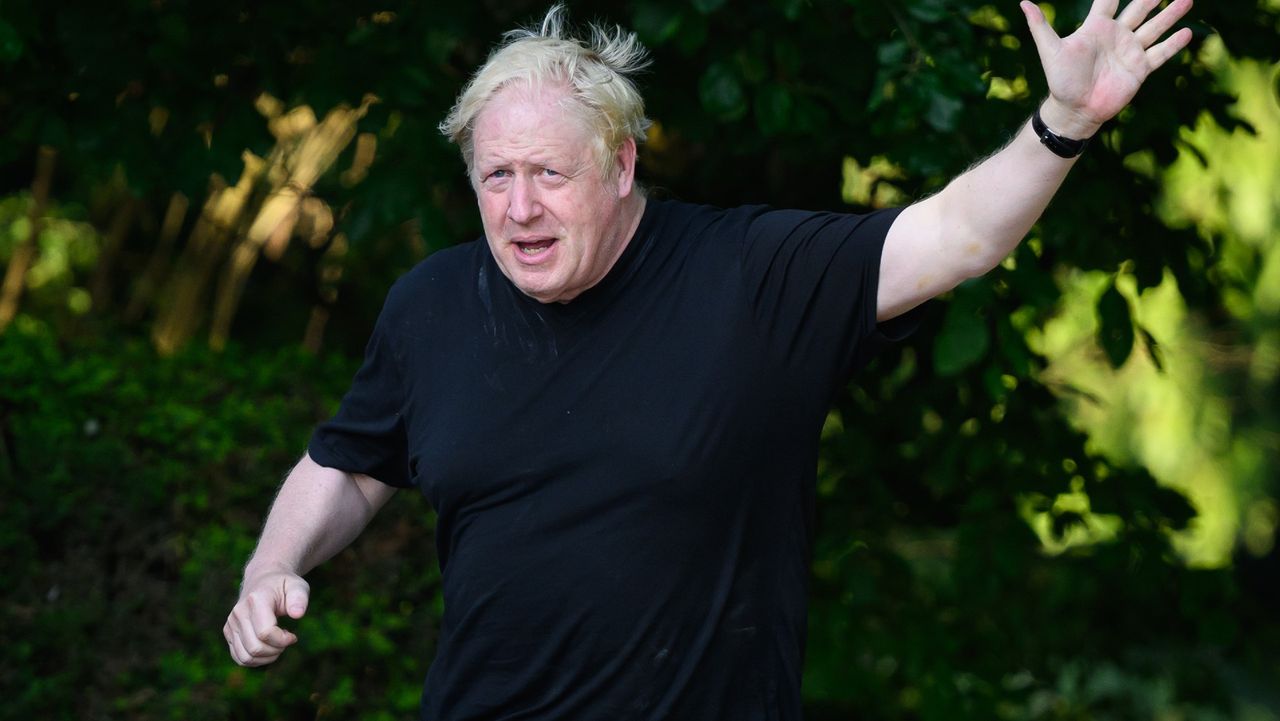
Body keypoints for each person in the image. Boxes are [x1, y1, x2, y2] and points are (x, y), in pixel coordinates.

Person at [224, 1, 1193, 717]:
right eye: (496, 178)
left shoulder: (751, 276)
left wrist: (1061, 123)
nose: (518, 210)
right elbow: (349, 466)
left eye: (549, 175)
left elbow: (954, 240)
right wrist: (272, 562)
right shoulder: (430, 304)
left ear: (620, 163)